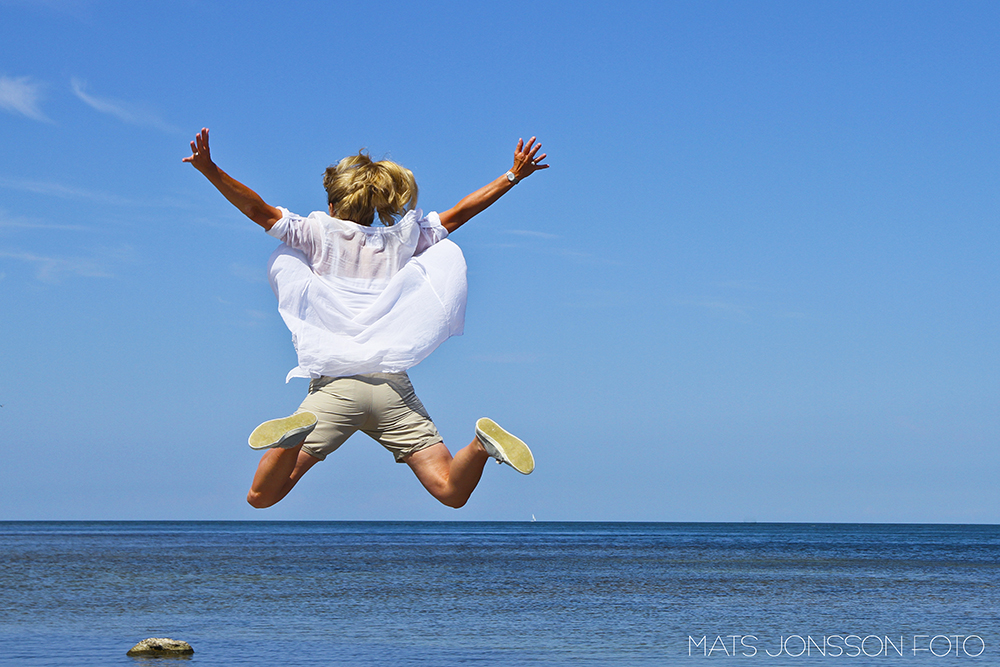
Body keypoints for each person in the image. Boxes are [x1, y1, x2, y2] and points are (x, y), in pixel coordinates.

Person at [184, 128, 548, 509]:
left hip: (335, 388)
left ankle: (292, 440)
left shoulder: (316, 233)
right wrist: (512, 176)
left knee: (261, 495)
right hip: (392, 390)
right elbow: (460, 213)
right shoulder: (401, 240)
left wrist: (209, 169)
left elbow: (257, 211)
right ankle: (480, 445)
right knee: (451, 491)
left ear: (333, 201)